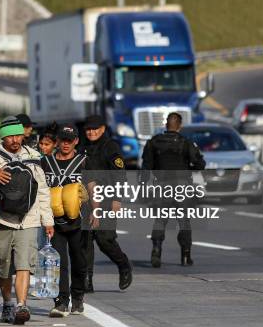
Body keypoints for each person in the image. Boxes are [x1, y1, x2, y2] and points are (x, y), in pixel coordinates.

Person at [0, 116, 54, 325]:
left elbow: (42, 190)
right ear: (3, 138)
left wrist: (47, 220)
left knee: (24, 263)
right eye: (10, 136)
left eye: (18, 135)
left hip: (29, 219)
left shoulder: (33, 156)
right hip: (1, 219)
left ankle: (21, 305)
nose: (15, 140)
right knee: (4, 265)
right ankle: (7, 303)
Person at [141, 112, 206, 268]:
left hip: (161, 186)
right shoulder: (186, 143)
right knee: (184, 222)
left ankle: (156, 250)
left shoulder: (153, 142)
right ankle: (185, 255)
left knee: (160, 221)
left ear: (166, 125)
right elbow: (200, 165)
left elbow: (146, 168)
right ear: (180, 126)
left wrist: (143, 187)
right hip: (182, 187)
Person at [81, 114, 133, 293]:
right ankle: (87, 280)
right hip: (86, 200)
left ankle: (123, 264)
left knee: (105, 240)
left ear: (102, 129)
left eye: (95, 129)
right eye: (88, 129)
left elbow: (120, 173)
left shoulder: (110, 147)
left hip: (107, 199)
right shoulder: (82, 147)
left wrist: (117, 199)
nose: (92, 132)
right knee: (85, 241)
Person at [41, 124, 87, 317]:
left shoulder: (84, 161)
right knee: (58, 262)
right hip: (54, 221)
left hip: (79, 220)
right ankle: (61, 301)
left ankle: (77, 298)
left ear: (76, 141)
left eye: (70, 140)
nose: (66, 144)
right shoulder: (46, 162)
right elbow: (40, 190)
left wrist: (96, 209)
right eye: (63, 140)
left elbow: (93, 186)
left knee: (79, 261)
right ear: (57, 141)